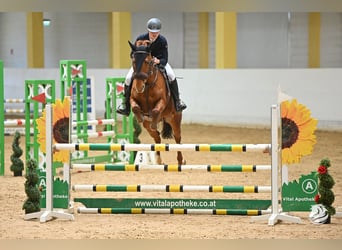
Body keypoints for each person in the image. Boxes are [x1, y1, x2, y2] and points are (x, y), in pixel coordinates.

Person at [117, 17, 187, 116]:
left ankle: (177, 102)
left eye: (156, 32)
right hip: (143, 64)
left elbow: (165, 58)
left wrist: (158, 61)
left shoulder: (162, 40)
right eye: (152, 32)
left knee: (171, 75)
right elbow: (132, 53)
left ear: (159, 31)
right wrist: (139, 59)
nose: (154, 34)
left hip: (157, 63)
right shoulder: (141, 38)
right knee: (128, 78)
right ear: (148, 30)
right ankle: (125, 105)